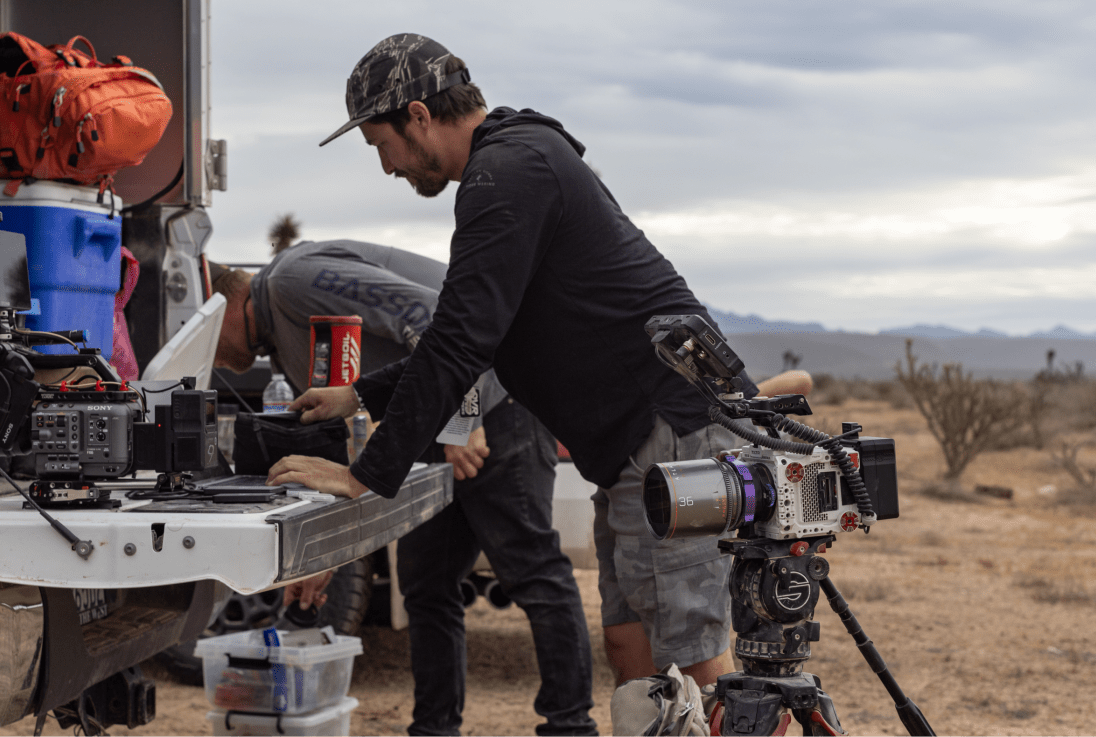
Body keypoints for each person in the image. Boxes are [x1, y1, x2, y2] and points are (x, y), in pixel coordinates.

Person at [265, 33, 760, 695]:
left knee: (690, 657)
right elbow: (477, 332)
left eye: (380, 145)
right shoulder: (515, 164)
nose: (386, 167)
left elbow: (461, 341)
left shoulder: (507, 174)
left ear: (416, 115)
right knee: (631, 646)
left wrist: (364, 476)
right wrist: (359, 397)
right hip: (636, 441)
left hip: (666, 426)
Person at [209, 241, 598, 737]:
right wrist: (325, 556)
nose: (209, 350)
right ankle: (434, 729)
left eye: (200, 330)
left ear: (220, 303)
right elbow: (337, 451)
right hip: (432, 424)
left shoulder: (290, 281)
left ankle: (570, 727)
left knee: (532, 569)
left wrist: (462, 421)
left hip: (498, 401)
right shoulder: (284, 340)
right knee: (427, 584)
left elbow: (435, 317)